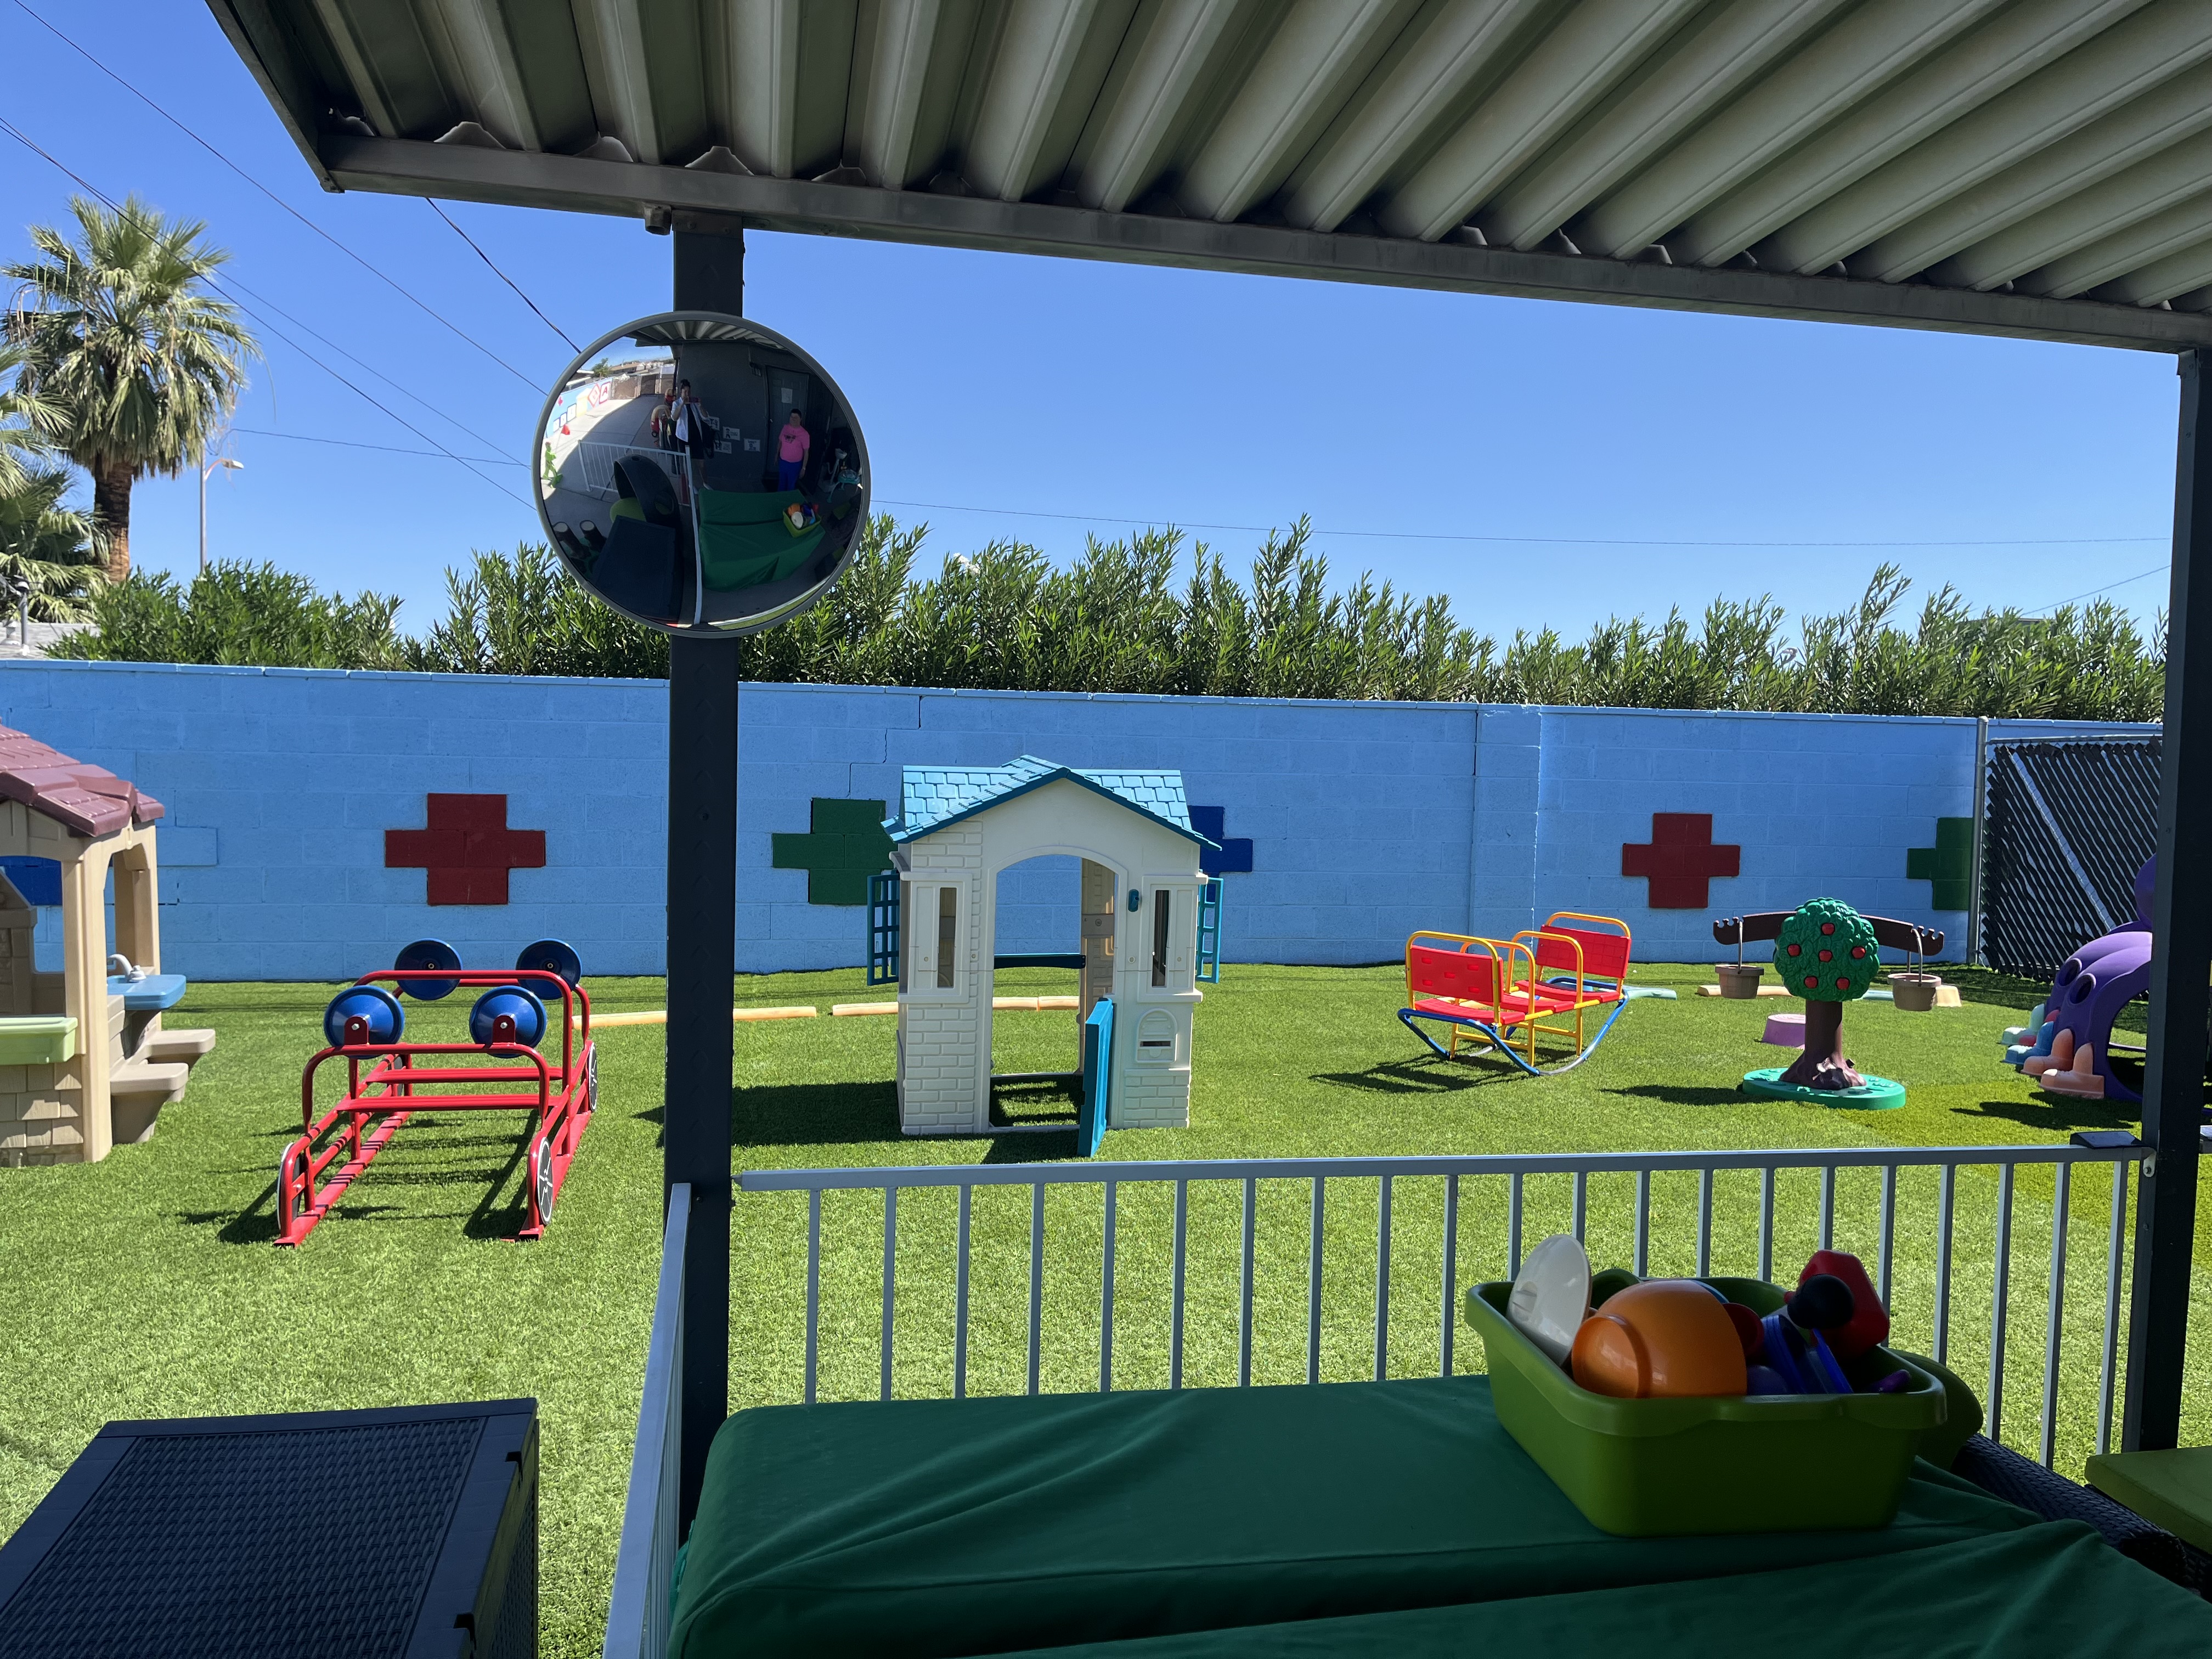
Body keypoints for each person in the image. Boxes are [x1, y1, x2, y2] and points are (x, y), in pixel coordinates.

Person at [776, 408, 810, 491]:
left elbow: (806, 452)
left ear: (800, 419)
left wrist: (804, 468)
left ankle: (789, 503)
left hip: (794, 465)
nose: (793, 419)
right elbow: (780, 442)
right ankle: (779, 500)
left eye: (796, 418)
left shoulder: (804, 434)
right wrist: (776, 455)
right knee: (781, 483)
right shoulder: (785, 428)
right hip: (783, 462)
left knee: (791, 485)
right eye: (792, 417)